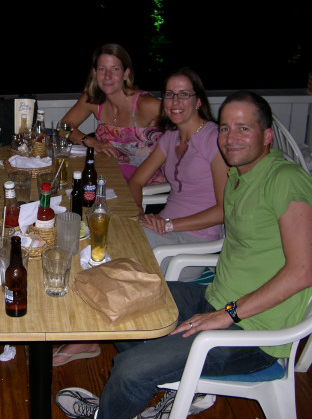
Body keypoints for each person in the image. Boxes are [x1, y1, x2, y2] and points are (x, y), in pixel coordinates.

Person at [55, 90, 312, 419]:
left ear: (267, 136)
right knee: (116, 297)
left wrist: (227, 315)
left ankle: (111, 409)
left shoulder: (286, 179)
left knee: (130, 368)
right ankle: (152, 398)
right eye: (225, 128)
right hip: (215, 297)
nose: (230, 138)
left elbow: (303, 271)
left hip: (256, 333)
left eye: (243, 128)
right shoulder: (238, 175)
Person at [129, 67, 229, 276]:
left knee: (120, 254)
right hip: (161, 230)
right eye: (169, 94)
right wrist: (141, 213)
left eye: (184, 94)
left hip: (193, 244)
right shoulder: (171, 137)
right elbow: (136, 181)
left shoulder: (213, 139)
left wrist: (169, 225)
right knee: (111, 233)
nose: (175, 101)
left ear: (198, 101)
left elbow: (224, 211)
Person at [60, 43, 166, 185]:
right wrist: (92, 142)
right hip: (110, 179)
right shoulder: (93, 100)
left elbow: (186, 129)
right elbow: (63, 127)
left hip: (147, 187)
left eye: (115, 69)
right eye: (102, 69)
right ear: (95, 73)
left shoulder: (146, 105)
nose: (107, 76)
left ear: (126, 73)